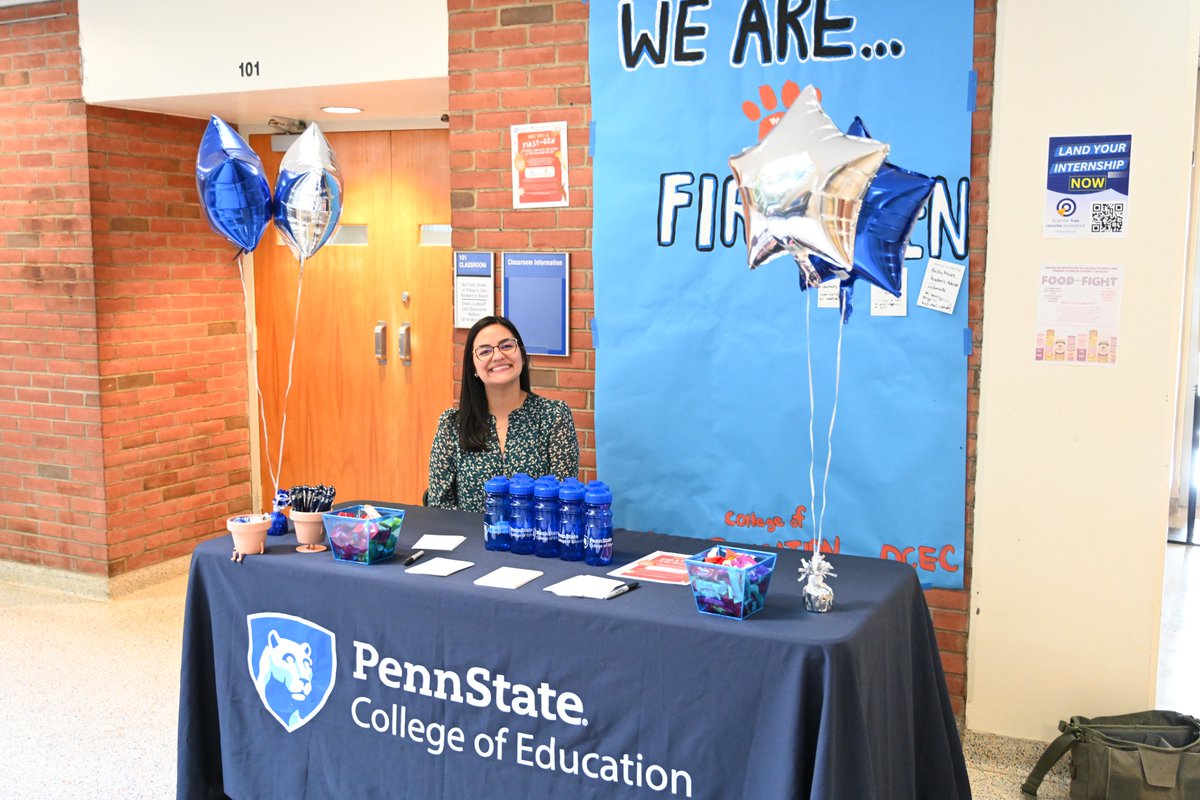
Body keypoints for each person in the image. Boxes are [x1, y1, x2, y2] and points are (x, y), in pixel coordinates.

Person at [427, 316, 579, 512]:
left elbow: (565, 501)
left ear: (522, 356)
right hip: (469, 532)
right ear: (473, 367)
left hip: (537, 531)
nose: (498, 356)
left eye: (506, 346)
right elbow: (439, 506)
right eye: (485, 351)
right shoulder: (452, 424)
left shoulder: (554, 416)